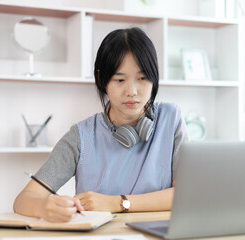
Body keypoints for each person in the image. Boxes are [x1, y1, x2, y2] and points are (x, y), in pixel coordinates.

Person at [13, 27, 189, 223]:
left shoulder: (171, 118)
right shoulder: (82, 135)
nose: (132, 91)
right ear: (101, 79)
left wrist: (118, 203)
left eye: (142, 78)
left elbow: (185, 194)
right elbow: (23, 200)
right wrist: (45, 207)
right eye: (120, 80)